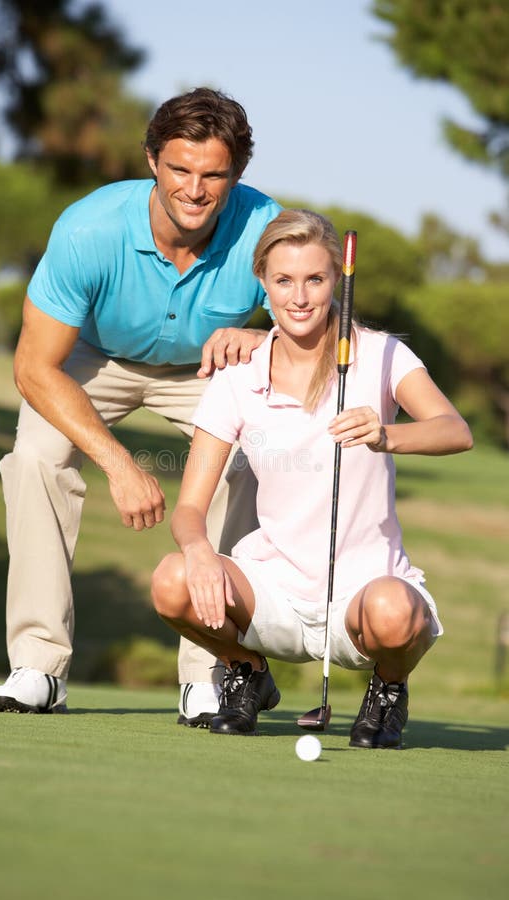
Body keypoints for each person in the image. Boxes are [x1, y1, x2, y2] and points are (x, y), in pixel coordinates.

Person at [0, 87, 281, 720]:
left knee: (246, 461)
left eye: (213, 175)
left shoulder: (265, 228)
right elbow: (32, 367)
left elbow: (327, 327)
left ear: (237, 174)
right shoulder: (89, 229)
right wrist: (121, 465)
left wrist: (264, 335)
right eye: (180, 169)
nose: (195, 190)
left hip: (207, 368)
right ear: (151, 159)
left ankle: (213, 671)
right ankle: (37, 666)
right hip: (94, 360)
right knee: (36, 456)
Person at [151, 209, 473, 747]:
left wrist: (386, 435)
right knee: (172, 580)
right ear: (263, 284)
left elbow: (454, 430)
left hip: (364, 593)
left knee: (396, 613)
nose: (299, 297)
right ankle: (247, 671)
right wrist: (200, 552)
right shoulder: (237, 379)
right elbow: (188, 509)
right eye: (284, 281)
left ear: (336, 283)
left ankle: (388, 688)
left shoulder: (381, 355)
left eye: (315, 280)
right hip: (272, 587)